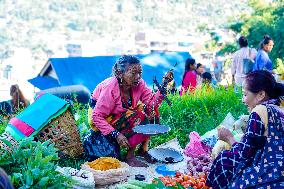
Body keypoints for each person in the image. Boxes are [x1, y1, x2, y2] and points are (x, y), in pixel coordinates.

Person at [87, 55, 172, 167]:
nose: (138, 77)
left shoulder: (139, 84)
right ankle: (129, 157)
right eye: (133, 73)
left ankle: (143, 150)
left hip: (121, 114)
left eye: (140, 73)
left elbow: (151, 104)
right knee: (138, 116)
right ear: (120, 73)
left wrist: (164, 84)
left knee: (151, 112)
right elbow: (96, 117)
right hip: (102, 119)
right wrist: (116, 134)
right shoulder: (111, 87)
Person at [206, 70, 284, 188]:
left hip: (269, 177)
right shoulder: (278, 108)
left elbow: (243, 155)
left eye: (245, 94)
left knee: (224, 159)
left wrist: (229, 138)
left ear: (261, 95)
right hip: (279, 172)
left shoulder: (259, 111)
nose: (243, 100)